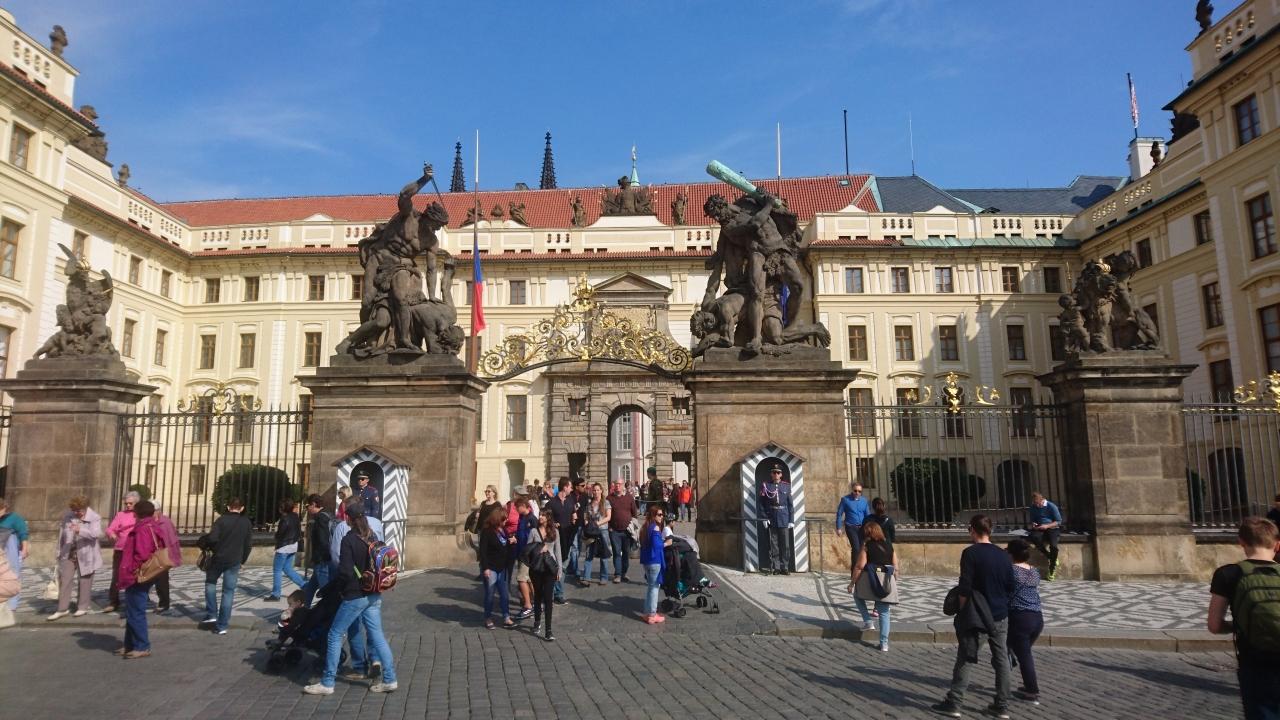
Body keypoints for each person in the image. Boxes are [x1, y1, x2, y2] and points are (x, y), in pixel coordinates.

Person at [304, 506, 398, 695]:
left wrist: (337, 589)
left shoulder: (349, 539)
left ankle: (327, 682)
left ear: (348, 519)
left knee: (334, 634)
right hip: (374, 592)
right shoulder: (372, 536)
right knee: (377, 636)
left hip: (355, 594)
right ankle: (390, 679)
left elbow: (345, 571)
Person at [932, 514, 1016, 719]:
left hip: (978, 615)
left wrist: (962, 610)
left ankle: (955, 702)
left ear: (972, 530)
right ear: (990, 530)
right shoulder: (1003, 555)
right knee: (1002, 659)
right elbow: (1011, 586)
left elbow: (965, 587)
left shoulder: (970, 553)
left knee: (966, 657)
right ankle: (1002, 705)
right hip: (1000, 614)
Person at [1207, 517, 1280, 720]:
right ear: (1277, 545)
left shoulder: (1228, 574)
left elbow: (1214, 625)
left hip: (1254, 658)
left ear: (1241, 542)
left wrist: (1240, 624)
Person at [328, 497, 385, 680]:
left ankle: (359, 666)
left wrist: (341, 583)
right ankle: (376, 660)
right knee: (374, 629)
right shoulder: (376, 525)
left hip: (354, 589)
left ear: (348, 515)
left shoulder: (343, 530)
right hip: (373, 585)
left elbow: (336, 558)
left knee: (349, 628)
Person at [116, 500, 165, 659]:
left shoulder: (143, 528)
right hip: (144, 572)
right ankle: (130, 644)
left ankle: (142, 645)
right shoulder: (153, 525)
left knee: (136, 610)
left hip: (137, 573)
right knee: (132, 609)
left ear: (137, 513)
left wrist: (134, 569)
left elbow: (142, 553)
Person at [198, 497, 253, 635]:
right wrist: (242, 560)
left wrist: (208, 543)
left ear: (228, 507)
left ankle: (212, 613)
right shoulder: (246, 522)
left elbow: (212, 538)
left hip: (218, 558)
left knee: (210, 583)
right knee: (228, 591)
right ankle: (222, 625)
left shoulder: (221, 520)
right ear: (242, 508)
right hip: (234, 560)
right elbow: (248, 544)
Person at [846, 519, 898, 652]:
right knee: (884, 613)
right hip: (887, 579)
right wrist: (894, 581)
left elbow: (859, 566)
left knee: (857, 595)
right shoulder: (889, 545)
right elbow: (895, 565)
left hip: (872, 579)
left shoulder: (867, 546)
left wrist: (852, 583)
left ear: (867, 533)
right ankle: (884, 644)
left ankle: (868, 621)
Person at [48, 495, 103, 620]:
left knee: (85, 580)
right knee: (65, 580)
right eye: (74, 510)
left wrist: (80, 530)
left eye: (79, 510)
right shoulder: (68, 516)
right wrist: (59, 551)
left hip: (87, 553)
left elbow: (96, 534)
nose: (76, 513)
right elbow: (61, 534)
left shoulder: (94, 517)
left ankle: (82, 607)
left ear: (85, 507)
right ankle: (62, 609)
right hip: (69, 552)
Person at [1006, 538, 1045, 706]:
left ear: (1011, 554)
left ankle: (1032, 691)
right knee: (1020, 651)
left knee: (1024, 656)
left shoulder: (1011, 571)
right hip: (1037, 618)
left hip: (1020, 618)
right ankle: (1020, 679)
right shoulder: (1034, 571)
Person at [524, 512, 562, 641]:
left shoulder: (555, 532)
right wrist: (538, 549)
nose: (540, 517)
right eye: (540, 515)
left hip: (550, 567)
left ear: (548, 518)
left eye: (543, 515)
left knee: (548, 598)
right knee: (538, 595)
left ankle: (548, 630)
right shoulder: (533, 531)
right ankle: (537, 621)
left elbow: (558, 551)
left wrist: (559, 570)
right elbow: (528, 550)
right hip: (537, 568)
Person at [478, 505, 514, 629]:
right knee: (490, 594)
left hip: (502, 567)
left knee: (504, 594)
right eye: (504, 519)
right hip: (491, 567)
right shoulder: (487, 532)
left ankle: (506, 617)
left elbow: (505, 546)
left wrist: (511, 542)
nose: (506, 521)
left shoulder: (503, 530)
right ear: (498, 519)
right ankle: (488, 617)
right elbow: (483, 551)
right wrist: (485, 568)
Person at [103, 491, 140, 614]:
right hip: (120, 549)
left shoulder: (139, 515)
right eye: (126, 503)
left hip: (134, 550)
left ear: (137, 503)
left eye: (131, 503)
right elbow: (110, 529)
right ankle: (113, 601)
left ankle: (134, 601)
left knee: (134, 575)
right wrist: (112, 534)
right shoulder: (120, 514)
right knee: (116, 576)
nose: (128, 505)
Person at [543, 477, 574, 604]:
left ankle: (557, 592)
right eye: (570, 487)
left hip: (568, 537)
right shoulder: (551, 503)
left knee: (564, 566)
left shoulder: (570, 500)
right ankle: (556, 593)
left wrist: (574, 520)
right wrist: (553, 524)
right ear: (565, 487)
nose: (571, 489)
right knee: (555, 566)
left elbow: (574, 515)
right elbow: (545, 519)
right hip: (555, 539)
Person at [759, 464, 794, 575]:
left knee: (785, 545)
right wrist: (764, 518)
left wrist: (791, 520)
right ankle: (777, 567)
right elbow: (762, 503)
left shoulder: (786, 486)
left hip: (784, 517)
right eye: (774, 472)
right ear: (771, 474)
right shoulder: (766, 486)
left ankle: (785, 567)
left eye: (778, 472)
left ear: (781, 474)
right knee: (774, 544)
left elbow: (790, 504)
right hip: (772, 517)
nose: (776, 474)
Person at [299, 494, 333, 607]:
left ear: (313, 504)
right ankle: (304, 609)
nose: (307, 508)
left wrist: (321, 558)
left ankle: (328, 613)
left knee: (326, 591)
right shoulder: (328, 514)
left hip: (322, 559)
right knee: (311, 586)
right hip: (324, 558)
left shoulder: (320, 518)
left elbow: (323, 541)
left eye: (307, 506)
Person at [270, 498, 306, 602]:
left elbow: (280, 534)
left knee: (277, 570)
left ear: (282, 508)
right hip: (293, 545)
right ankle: (305, 585)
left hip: (284, 546)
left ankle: (276, 594)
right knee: (287, 568)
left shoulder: (284, 519)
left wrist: (276, 538)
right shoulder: (295, 516)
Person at [150, 503, 182, 615]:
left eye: (153, 511)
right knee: (147, 578)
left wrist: (172, 555)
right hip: (150, 554)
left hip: (162, 554)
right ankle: (145, 598)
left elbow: (171, 539)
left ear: (158, 510)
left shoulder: (165, 522)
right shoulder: (149, 521)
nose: (151, 513)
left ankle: (164, 603)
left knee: (161, 579)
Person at [639, 504, 668, 624]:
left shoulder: (645, 527)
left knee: (650, 587)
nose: (662, 517)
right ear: (653, 516)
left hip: (646, 560)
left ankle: (647, 613)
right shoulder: (655, 528)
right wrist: (666, 543)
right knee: (654, 588)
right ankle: (652, 614)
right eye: (659, 515)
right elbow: (657, 545)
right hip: (654, 560)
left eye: (662, 514)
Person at [580, 482, 612, 585]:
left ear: (601, 491)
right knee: (589, 554)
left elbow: (608, 517)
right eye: (594, 490)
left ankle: (604, 577)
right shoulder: (589, 503)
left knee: (604, 555)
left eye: (598, 490)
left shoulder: (606, 502)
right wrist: (587, 523)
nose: (596, 492)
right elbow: (586, 516)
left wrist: (597, 524)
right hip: (591, 532)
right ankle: (586, 577)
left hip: (602, 531)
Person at [0, 496, 29, 612]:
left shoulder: (14, 518)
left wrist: (24, 549)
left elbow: (23, 533)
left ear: (4, 508)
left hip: (10, 548)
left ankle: (12, 605)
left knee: (13, 574)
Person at [607, 479, 640, 583]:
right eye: (616, 484)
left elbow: (634, 513)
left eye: (619, 484)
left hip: (627, 531)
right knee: (617, 553)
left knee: (626, 553)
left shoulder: (629, 498)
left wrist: (633, 526)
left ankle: (623, 573)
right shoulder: (609, 498)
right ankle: (617, 574)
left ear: (623, 486)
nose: (617, 486)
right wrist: (609, 527)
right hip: (614, 531)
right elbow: (605, 513)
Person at [1027, 491, 1063, 580]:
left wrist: (1047, 526)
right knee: (1034, 537)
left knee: (1053, 546)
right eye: (1035, 504)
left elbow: (1058, 521)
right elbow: (1033, 520)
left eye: (1038, 504)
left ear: (1042, 500)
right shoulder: (1033, 507)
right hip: (1040, 527)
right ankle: (1050, 557)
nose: (1037, 505)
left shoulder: (1051, 506)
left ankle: (1052, 570)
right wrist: (1034, 524)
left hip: (1052, 528)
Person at [511, 497, 536, 619]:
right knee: (529, 579)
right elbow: (520, 533)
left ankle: (528, 605)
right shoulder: (522, 517)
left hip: (528, 554)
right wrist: (515, 538)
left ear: (523, 506)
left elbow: (535, 538)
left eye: (517, 507)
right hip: (521, 552)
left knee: (521, 578)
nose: (516, 509)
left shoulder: (532, 519)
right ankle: (535, 602)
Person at [835, 483, 870, 564]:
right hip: (851, 527)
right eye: (855, 491)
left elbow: (868, 515)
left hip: (862, 528)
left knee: (862, 548)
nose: (857, 493)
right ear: (852, 490)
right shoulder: (845, 500)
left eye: (859, 491)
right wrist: (839, 528)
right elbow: (839, 514)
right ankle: (854, 569)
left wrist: (869, 527)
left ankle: (861, 568)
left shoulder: (864, 501)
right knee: (856, 548)